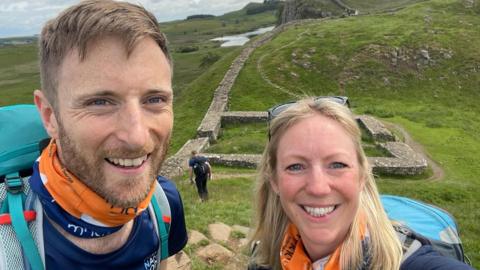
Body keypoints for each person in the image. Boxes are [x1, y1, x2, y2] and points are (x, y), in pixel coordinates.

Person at [28, 0, 187, 268]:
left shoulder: (164, 204)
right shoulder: (7, 242)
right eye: (100, 102)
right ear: (49, 116)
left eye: (155, 99)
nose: (136, 137)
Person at [248, 97, 473, 270]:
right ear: (274, 180)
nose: (318, 187)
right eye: (295, 166)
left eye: (337, 164)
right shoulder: (263, 260)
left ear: (363, 174)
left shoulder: (411, 262)